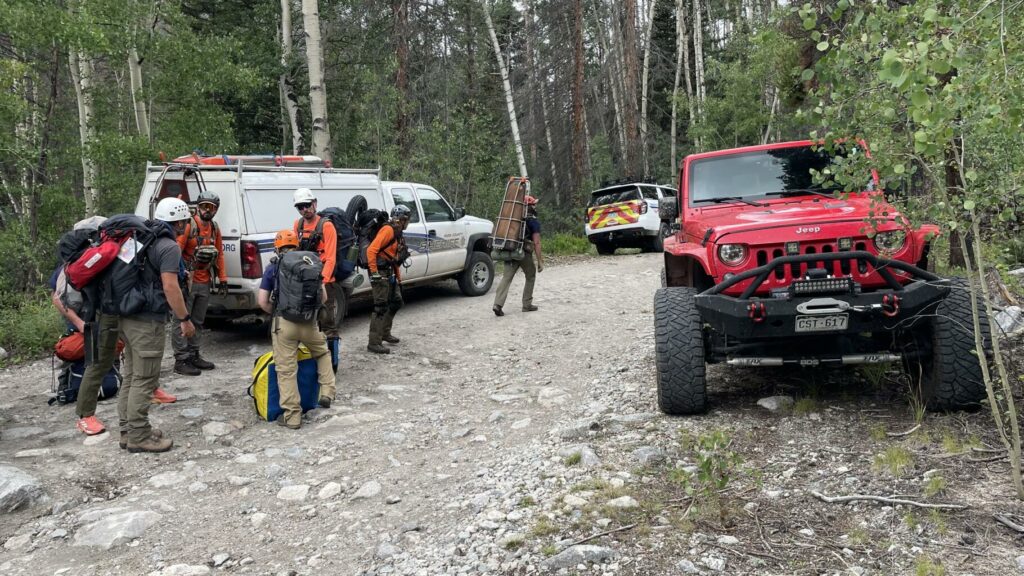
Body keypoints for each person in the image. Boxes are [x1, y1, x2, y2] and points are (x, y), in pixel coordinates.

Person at [118, 197, 195, 453]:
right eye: (185, 221)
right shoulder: (168, 246)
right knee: (145, 379)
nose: (187, 225)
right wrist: (184, 319)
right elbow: (170, 286)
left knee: (130, 376)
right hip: (147, 320)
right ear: (180, 221)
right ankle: (139, 435)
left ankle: (127, 431)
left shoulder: (139, 239)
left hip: (126, 315)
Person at [257, 229, 336, 428]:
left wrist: (277, 313)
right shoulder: (310, 263)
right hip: (310, 322)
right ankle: (327, 392)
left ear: (277, 247)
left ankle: (292, 416)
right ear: (297, 245)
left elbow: (262, 301)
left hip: (284, 324)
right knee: (322, 353)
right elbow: (324, 298)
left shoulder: (273, 267)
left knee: (286, 369)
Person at [173, 190, 226, 376]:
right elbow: (176, 250)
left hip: (205, 280)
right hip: (188, 280)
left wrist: (223, 278)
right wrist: (178, 274)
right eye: (204, 206)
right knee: (181, 320)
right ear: (198, 207)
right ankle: (181, 359)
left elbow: (219, 254)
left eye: (211, 207)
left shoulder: (215, 228)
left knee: (198, 320)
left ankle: (194, 354)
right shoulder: (189, 226)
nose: (207, 210)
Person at [366, 205, 411, 354]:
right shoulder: (388, 230)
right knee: (380, 307)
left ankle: (384, 333)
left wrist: (398, 278)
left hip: (389, 271)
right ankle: (374, 342)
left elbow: (394, 258)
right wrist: (374, 272)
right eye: (407, 219)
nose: (408, 222)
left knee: (396, 301)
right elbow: (371, 250)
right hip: (379, 272)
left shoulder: (398, 232)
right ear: (401, 219)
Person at [493, 194, 544, 316]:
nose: (536, 206)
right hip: (523, 253)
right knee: (530, 275)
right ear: (530, 206)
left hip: (509, 251)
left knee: (506, 278)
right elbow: (536, 242)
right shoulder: (533, 221)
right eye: (534, 204)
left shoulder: (513, 218)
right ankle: (527, 304)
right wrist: (540, 261)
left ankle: (497, 304)